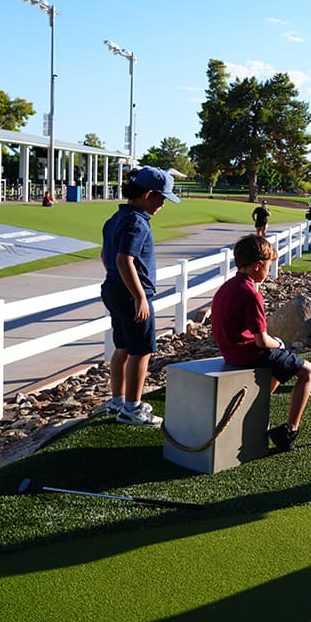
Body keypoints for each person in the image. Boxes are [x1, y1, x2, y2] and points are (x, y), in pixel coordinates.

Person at [212, 235, 311, 451]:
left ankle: (258, 408)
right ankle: (290, 431)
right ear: (258, 266)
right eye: (268, 267)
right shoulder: (251, 294)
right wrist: (278, 343)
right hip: (248, 354)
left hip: (230, 352)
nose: (269, 272)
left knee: (280, 364)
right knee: (308, 371)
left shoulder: (226, 288)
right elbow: (261, 341)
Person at [100, 166, 180, 427]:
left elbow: (106, 256)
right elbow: (124, 260)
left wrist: (116, 280)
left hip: (114, 290)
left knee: (123, 347)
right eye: (162, 198)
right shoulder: (137, 223)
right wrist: (139, 297)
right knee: (141, 351)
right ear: (148, 195)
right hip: (132, 296)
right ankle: (132, 408)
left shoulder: (115, 218)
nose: (163, 204)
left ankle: (117, 401)